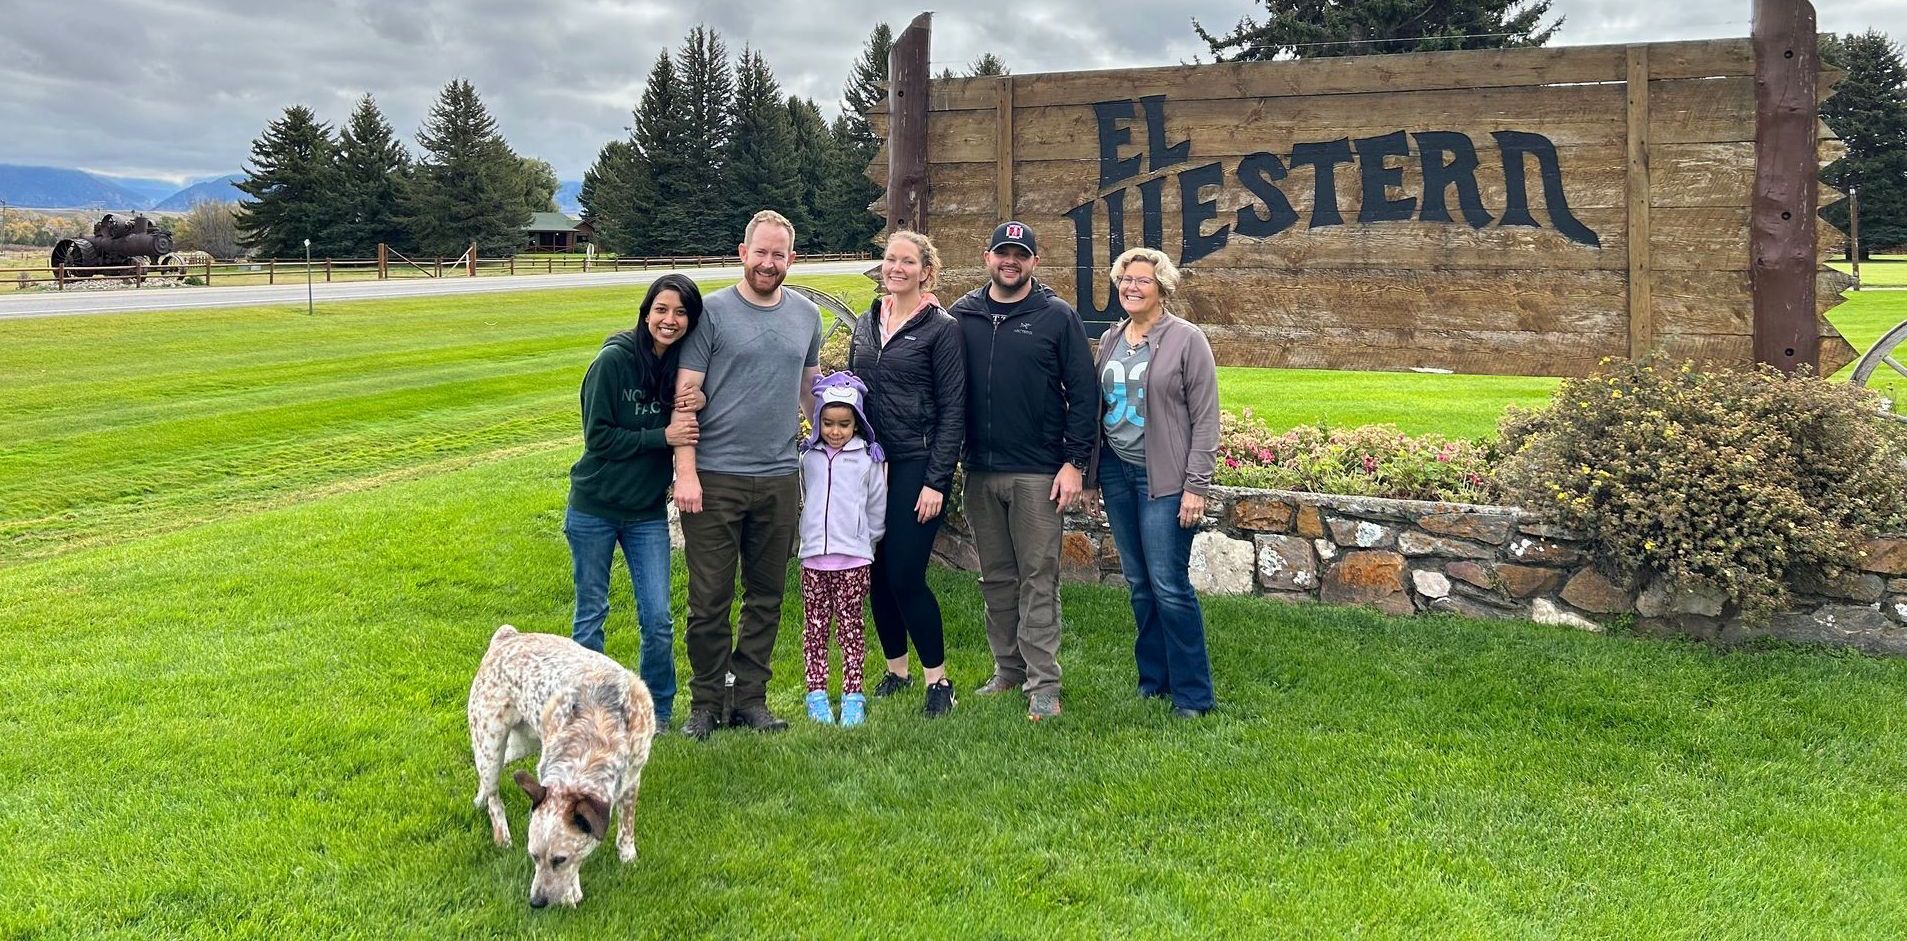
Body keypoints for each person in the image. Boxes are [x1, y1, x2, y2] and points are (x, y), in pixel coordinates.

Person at [672, 210, 823, 740]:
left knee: (766, 596)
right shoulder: (709, 314)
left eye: (778, 254)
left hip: (780, 477)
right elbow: (684, 400)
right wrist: (685, 474)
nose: (768, 262)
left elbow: (810, 392)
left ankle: (750, 699)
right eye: (760, 252)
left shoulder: (806, 316)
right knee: (709, 599)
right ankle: (706, 703)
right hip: (715, 476)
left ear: (792, 259)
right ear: (742, 253)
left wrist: (839, 442)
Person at [947, 222, 1098, 722]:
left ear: (1035, 261)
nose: (1010, 261)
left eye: (1021, 254)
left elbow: (1084, 395)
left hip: (1038, 471)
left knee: (1038, 576)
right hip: (981, 469)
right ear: (987, 257)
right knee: (996, 577)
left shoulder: (1057, 317)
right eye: (1002, 253)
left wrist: (1075, 463)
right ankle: (1007, 669)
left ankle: (1044, 684)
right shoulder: (962, 316)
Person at [563, 273, 703, 731]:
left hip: (644, 513)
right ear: (646, 313)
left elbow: (693, 408)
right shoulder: (613, 361)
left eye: (681, 312)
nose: (670, 319)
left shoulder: (679, 368)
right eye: (661, 309)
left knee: (658, 619)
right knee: (591, 616)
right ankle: (589, 713)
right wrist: (660, 435)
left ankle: (657, 712)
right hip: (595, 508)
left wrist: (699, 395)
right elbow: (598, 436)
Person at [1088, 247, 1219, 719]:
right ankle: (1154, 680)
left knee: (1168, 584)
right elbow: (1097, 411)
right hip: (1118, 474)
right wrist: (1091, 475)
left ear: (1162, 287)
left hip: (1164, 480)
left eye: (1142, 280)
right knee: (1140, 584)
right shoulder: (1111, 339)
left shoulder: (1187, 340)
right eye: (1125, 279)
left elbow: (1206, 420)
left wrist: (1196, 486)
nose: (1131, 287)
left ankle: (1193, 695)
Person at [846, 230, 966, 718]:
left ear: (926, 271)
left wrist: (937, 480)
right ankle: (898, 670)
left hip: (917, 465)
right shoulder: (866, 321)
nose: (896, 268)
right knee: (875, 574)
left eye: (907, 261)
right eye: (890, 259)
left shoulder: (942, 328)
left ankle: (939, 681)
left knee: (905, 574)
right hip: (870, 466)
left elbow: (954, 410)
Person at [796, 372, 888, 727]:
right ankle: (816, 693)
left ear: (856, 423)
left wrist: (868, 541)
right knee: (815, 628)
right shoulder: (810, 457)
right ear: (818, 422)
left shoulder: (867, 460)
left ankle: (853, 695)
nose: (836, 431)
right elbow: (807, 497)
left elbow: (876, 505)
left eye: (844, 424)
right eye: (829, 424)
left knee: (851, 628)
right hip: (814, 560)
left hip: (854, 559)